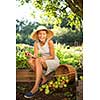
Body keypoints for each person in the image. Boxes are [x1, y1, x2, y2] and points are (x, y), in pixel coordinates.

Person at [24, 26, 60, 98]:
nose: (42, 36)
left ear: (46, 35)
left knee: (38, 60)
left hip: (52, 61)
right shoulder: (36, 43)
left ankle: (36, 86)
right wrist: (30, 55)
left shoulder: (50, 42)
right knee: (30, 61)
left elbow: (52, 56)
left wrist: (43, 58)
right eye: (40, 34)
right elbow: (36, 56)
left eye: (44, 34)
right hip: (42, 60)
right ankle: (44, 78)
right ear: (37, 35)